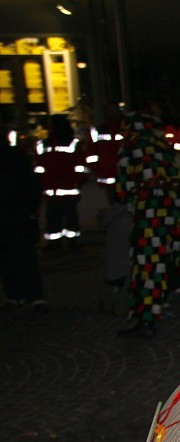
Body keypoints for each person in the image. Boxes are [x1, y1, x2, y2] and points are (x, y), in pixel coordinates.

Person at [116, 112, 180, 338]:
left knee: (148, 263)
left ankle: (146, 317)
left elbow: (122, 189)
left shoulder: (130, 149)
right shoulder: (170, 151)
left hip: (151, 213)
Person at [0, 126, 48, 314]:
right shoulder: (18, 157)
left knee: (12, 259)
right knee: (23, 257)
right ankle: (31, 296)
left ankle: (20, 295)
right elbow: (33, 185)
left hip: (14, 215)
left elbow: (31, 186)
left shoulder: (15, 159)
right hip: (19, 215)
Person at [34, 114, 89, 250]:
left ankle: (56, 243)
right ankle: (71, 243)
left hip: (54, 188)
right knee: (69, 216)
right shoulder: (72, 143)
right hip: (67, 187)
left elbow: (40, 167)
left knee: (54, 217)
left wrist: (41, 183)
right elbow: (81, 166)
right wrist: (79, 181)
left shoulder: (45, 144)